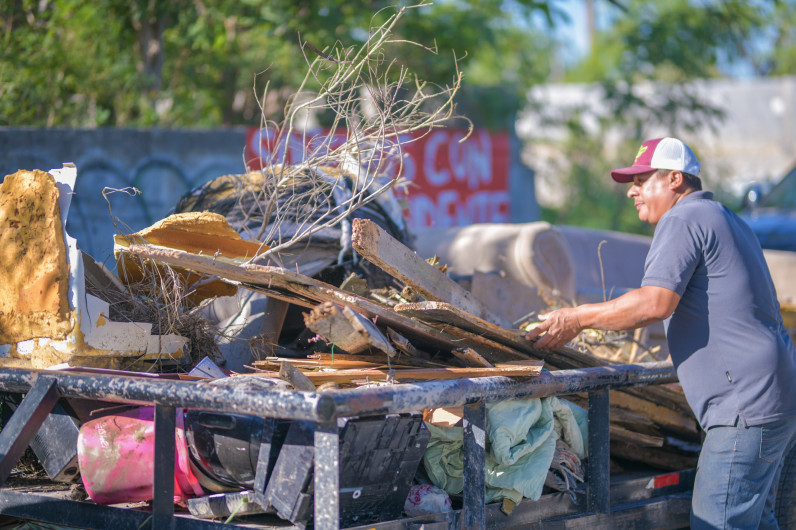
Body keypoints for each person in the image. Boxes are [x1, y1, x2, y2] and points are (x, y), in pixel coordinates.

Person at [525, 137, 796, 529]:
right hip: (774, 397)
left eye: (641, 180)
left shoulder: (683, 218)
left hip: (744, 406)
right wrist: (683, 363)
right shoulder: (727, 217)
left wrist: (576, 318)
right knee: (759, 521)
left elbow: (655, 302)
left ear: (674, 179)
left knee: (716, 523)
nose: (632, 191)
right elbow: (734, 309)